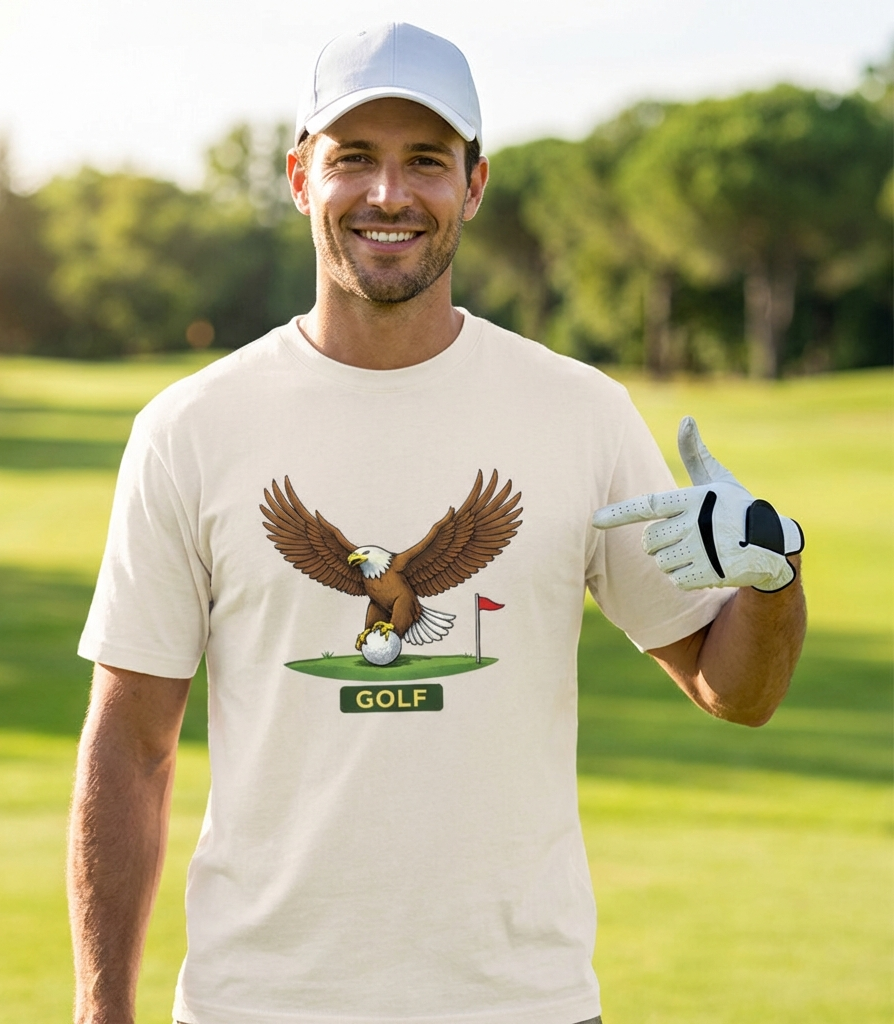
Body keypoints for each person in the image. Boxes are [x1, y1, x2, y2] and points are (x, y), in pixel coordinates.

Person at [68, 22, 806, 1024]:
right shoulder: (191, 429)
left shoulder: (578, 412)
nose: (387, 194)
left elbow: (735, 691)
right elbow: (130, 746)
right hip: (264, 1004)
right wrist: (100, 1011)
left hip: (521, 1004)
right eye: (352, 159)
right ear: (298, 177)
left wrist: (771, 573)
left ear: (474, 185)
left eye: (424, 160)